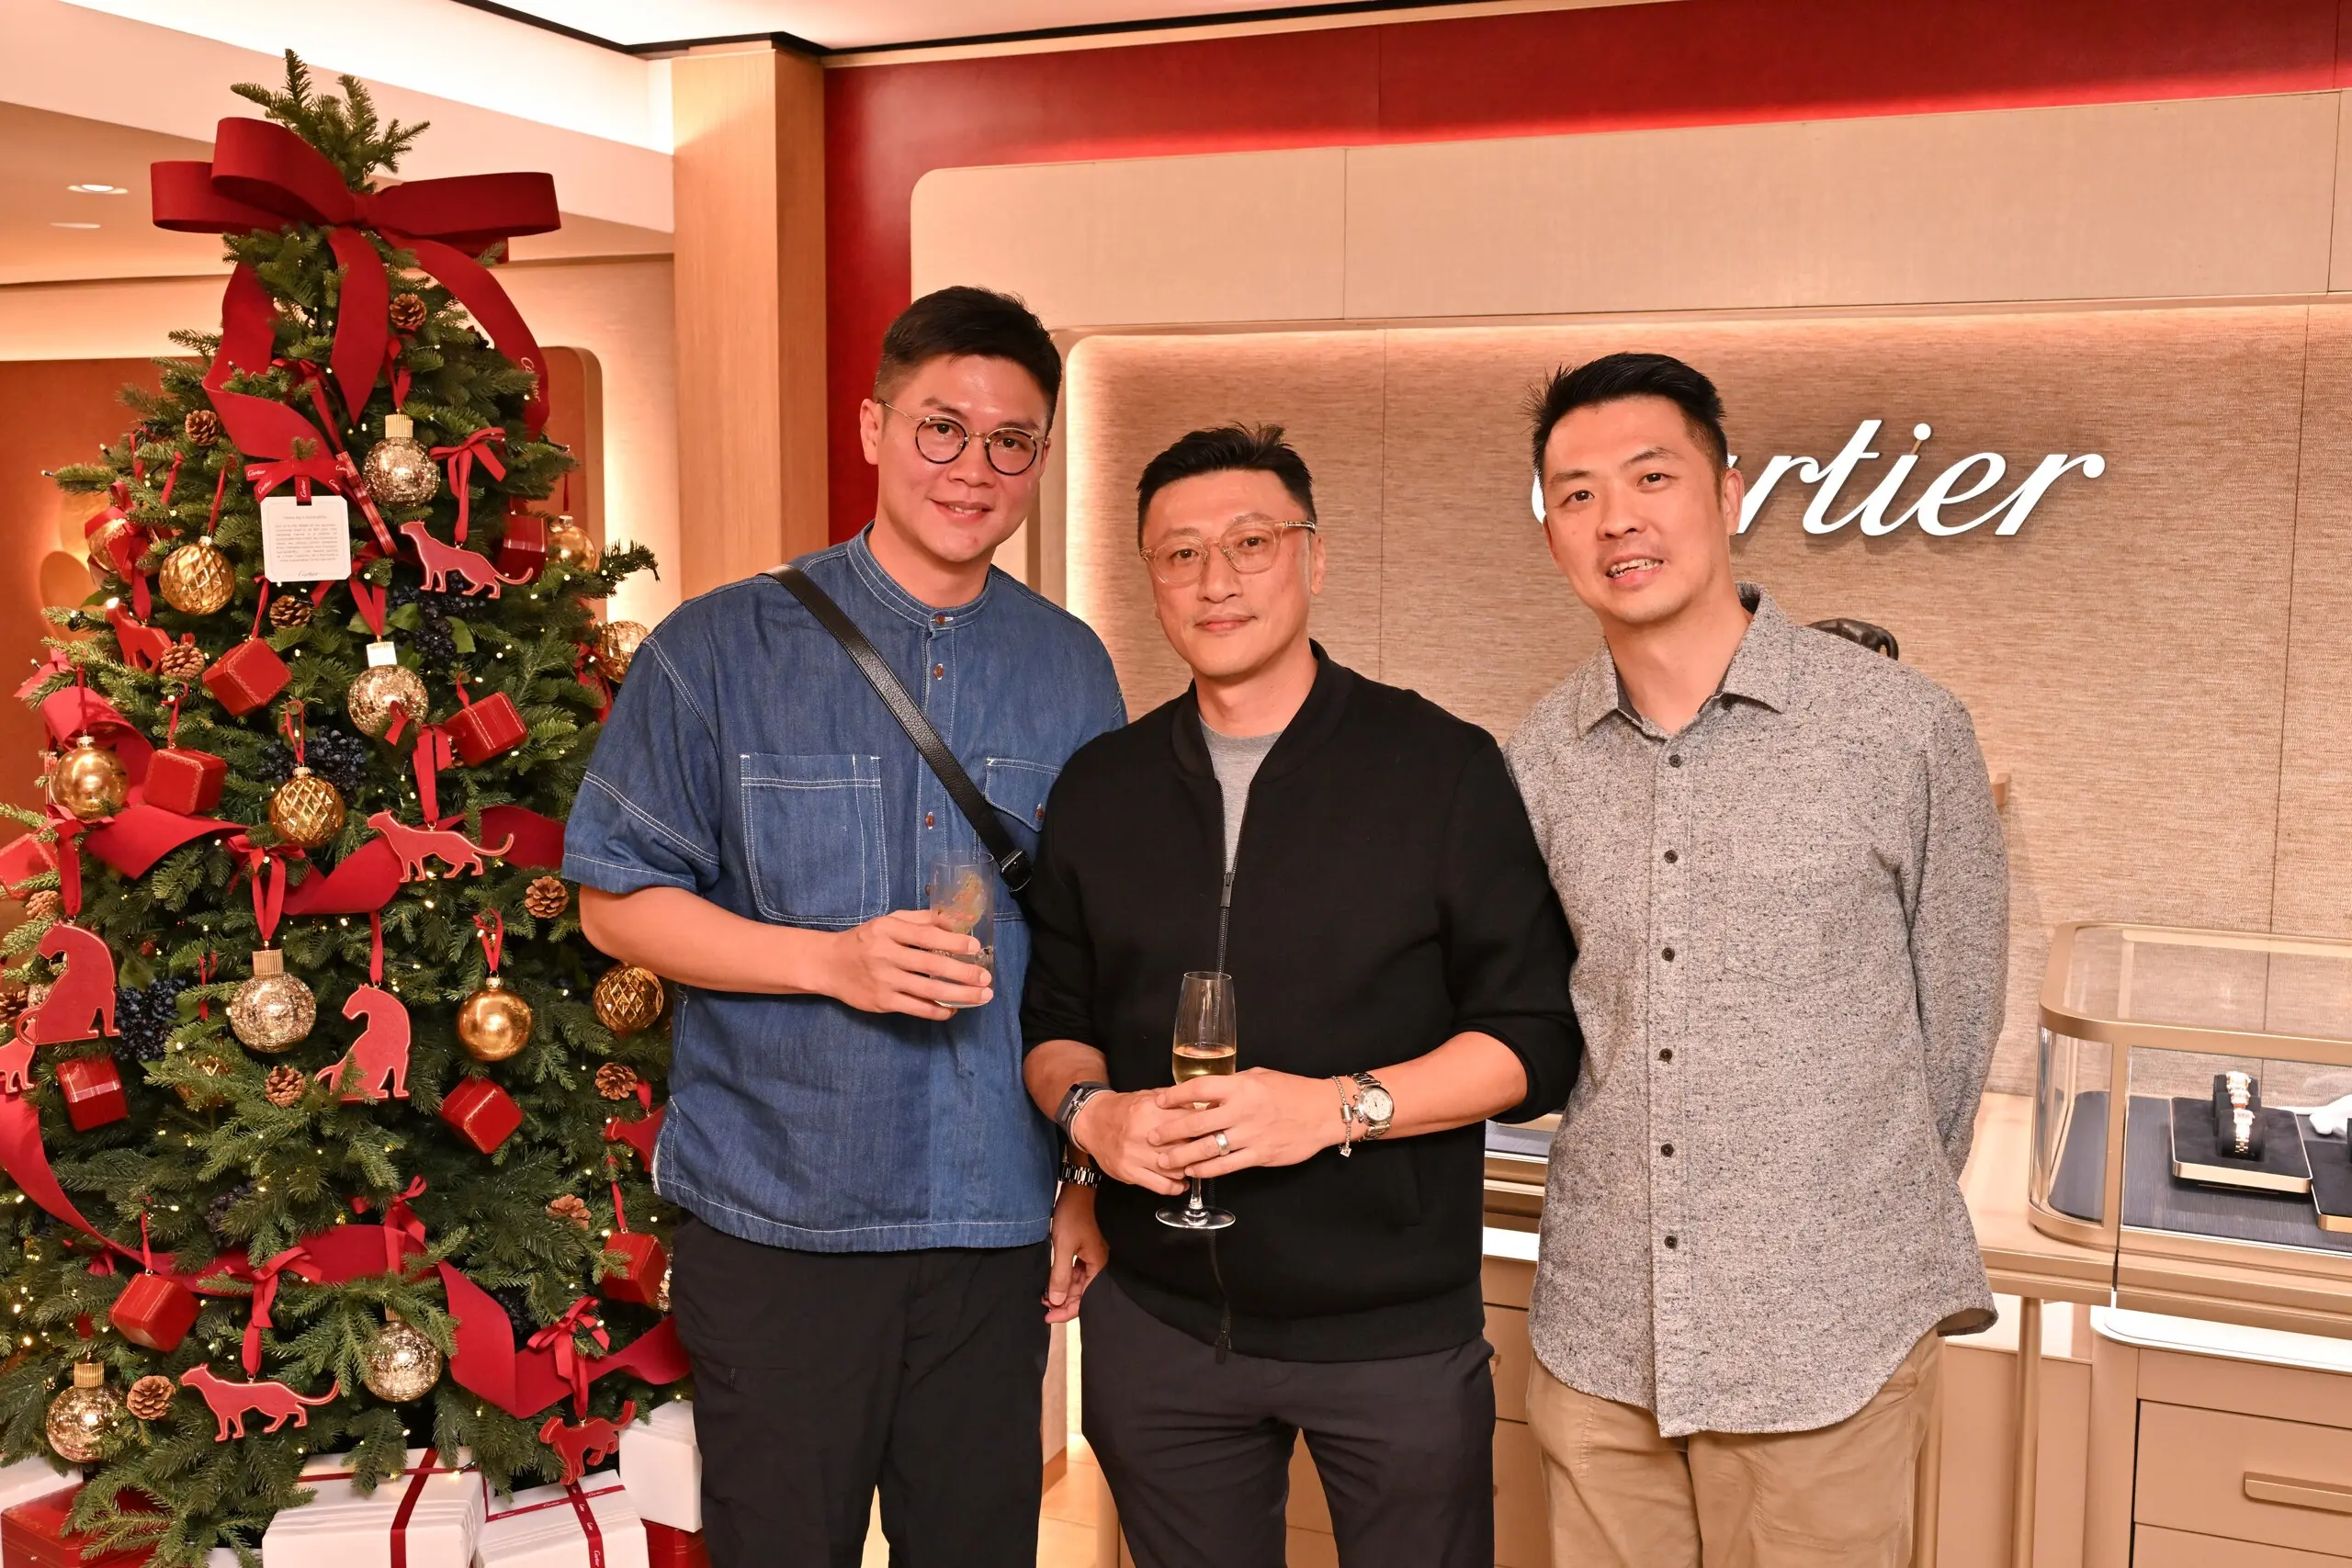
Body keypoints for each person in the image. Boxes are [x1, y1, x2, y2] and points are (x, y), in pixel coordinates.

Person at [564, 287, 1126, 1568]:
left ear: (1041, 457)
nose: (973, 468)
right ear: (873, 427)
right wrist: (827, 960)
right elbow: (614, 901)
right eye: (941, 427)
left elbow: (1090, 951)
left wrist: (1078, 1179)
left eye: (1010, 441)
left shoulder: (1073, 668)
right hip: (778, 1223)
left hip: (992, 1221)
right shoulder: (716, 648)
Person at [1022, 423, 1582, 1568]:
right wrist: (1092, 1124)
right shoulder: (1101, 787)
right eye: (1180, 554)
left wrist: (1335, 1108)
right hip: (1159, 1329)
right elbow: (1056, 1024)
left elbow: (1532, 1039)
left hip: (1393, 1339)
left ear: (1313, 558)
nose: (1215, 580)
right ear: (1151, 580)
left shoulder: (1440, 767)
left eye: (1251, 542)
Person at [1505, 352, 2008, 1568]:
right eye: (1576, 494)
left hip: (1825, 1341)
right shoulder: (1537, 757)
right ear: (1552, 532)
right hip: (1602, 1340)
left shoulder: (1901, 727)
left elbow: (1956, 1024)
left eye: (1650, 477)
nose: (1616, 519)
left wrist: (1837, 1226)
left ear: (1728, 492)